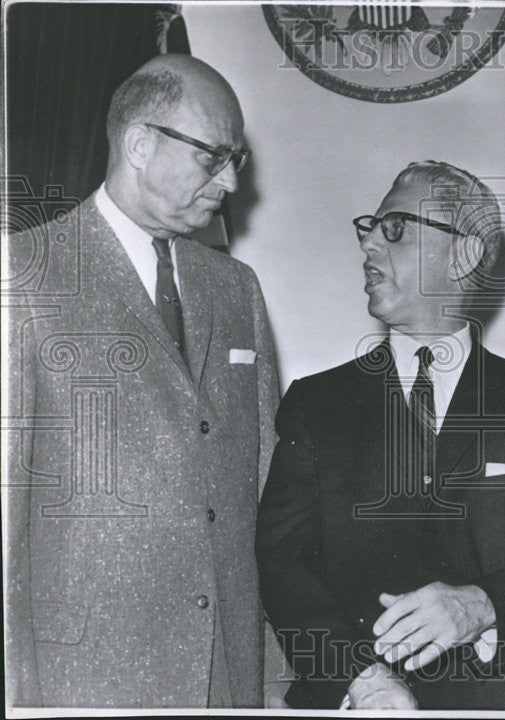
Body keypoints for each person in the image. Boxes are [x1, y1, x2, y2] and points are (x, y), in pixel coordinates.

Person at [255, 161, 505, 711]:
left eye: (394, 228)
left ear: (465, 254)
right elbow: (281, 562)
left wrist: (483, 604)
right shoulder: (315, 404)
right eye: (368, 228)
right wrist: (362, 679)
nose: (369, 244)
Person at [4, 54, 279, 707]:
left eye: (236, 158)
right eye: (215, 156)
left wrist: (269, 672)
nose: (232, 180)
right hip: (89, 683)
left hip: (228, 676)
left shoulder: (236, 287)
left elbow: (263, 482)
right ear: (139, 144)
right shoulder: (26, 275)